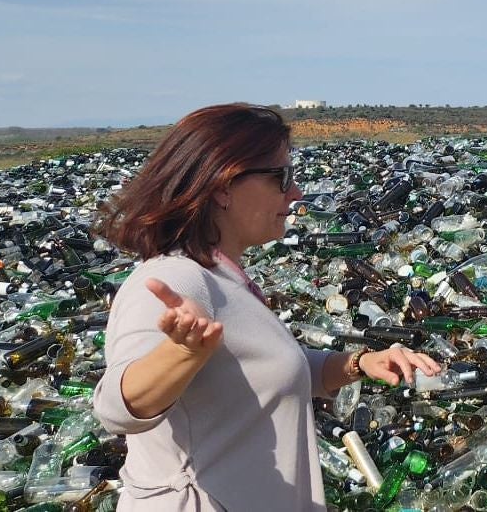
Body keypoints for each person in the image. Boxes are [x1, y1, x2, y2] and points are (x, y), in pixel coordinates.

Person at [92, 104, 440, 510]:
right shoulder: (176, 279)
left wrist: (358, 364)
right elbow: (117, 407)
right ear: (223, 185)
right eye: (282, 178)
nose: (296, 194)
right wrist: (181, 353)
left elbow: (260, 372)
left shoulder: (222, 275)